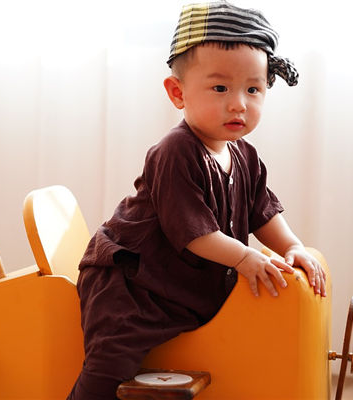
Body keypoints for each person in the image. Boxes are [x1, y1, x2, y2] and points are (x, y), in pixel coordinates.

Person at [68, 1, 327, 399]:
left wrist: (292, 246)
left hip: (182, 288)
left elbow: (263, 212)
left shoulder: (245, 155)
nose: (239, 103)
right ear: (178, 92)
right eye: (220, 88)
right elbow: (192, 232)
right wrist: (245, 257)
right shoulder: (174, 151)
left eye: (253, 89)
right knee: (113, 358)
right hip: (134, 285)